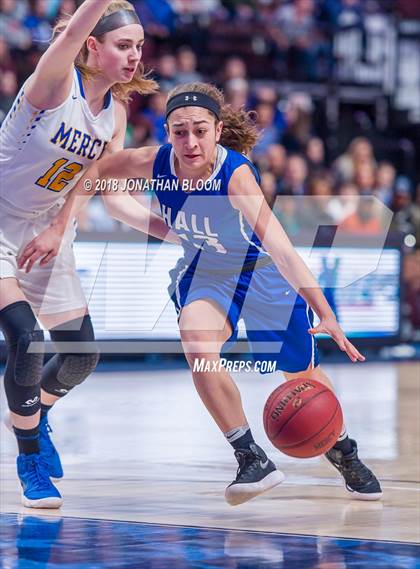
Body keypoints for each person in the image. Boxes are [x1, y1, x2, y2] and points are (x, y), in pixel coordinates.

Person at [21, 82, 382, 506]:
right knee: (197, 342)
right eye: (179, 132)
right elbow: (98, 171)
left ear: (217, 131)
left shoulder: (236, 175)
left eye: (199, 131)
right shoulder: (155, 162)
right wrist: (63, 225)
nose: (190, 142)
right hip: (208, 271)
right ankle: (250, 457)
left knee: (301, 378)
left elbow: (282, 249)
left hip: (259, 273)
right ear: (167, 132)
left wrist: (326, 313)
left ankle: (344, 451)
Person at [0, 0, 176, 509]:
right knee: (26, 339)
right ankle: (30, 459)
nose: (135, 56)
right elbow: (73, 29)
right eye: (123, 45)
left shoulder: (115, 114)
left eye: (139, 46)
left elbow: (113, 197)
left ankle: (34, 414)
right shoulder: (56, 82)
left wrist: (178, 233)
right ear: (91, 47)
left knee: (81, 356)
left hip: (47, 230)